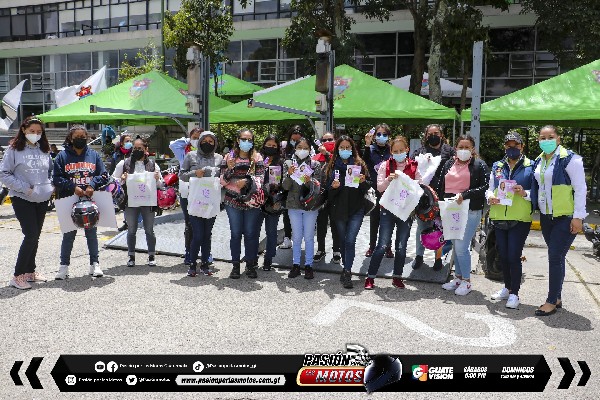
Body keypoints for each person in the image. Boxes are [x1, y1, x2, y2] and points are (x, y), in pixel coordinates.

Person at [530, 125, 587, 316]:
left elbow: (580, 189)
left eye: (550, 137)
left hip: (565, 217)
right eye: (542, 137)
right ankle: (557, 297)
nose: (546, 140)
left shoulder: (570, 159)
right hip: (546, 217)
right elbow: (539, 188)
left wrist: (578, 217)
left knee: (554, 257)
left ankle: (551, 300)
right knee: (558, 257)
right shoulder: (539, 161)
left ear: (558, 139)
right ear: (538, 140)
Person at [0, 116, 54, 289]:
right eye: (32, 131)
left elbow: (50, 171)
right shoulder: (14, 150)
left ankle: (30, 272)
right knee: (30, 235)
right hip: (22, 198)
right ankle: (17, 276)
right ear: (23, 130)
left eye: (39, 132)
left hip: (42, 199)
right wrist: (26, 188)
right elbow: (4, 174)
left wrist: (50, 186)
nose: (35, 134)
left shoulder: (44, 149)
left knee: (35, 236)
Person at [53, 125, 109, 280]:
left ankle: (94, 264)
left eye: (83, 137)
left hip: (89, 199)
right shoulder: (62, 156)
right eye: (76, 137)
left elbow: (104, 175)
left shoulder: (94, 155)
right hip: (69, 200)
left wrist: (93, 185)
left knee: (91, 233)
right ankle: (64, 266)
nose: (80, 140)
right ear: (70, 139)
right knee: (68, 235)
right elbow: (56, 178)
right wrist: (72, 187)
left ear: (87, 138)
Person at [365, 136, 420, 290]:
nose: (399, 153)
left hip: (406, 211)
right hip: (388, 209)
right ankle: (370, 277)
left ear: (407, 149)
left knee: (401, 246)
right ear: (391, 152)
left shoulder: (414, 165)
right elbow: (379, 187)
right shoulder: (385, 165)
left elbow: (420, 186)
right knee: (382, 244)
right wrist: (388, 179)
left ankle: (397, 277)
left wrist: (411, 183)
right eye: (395, 151)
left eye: (401, 150)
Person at [486, 132, 533, 309]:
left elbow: (538, 192)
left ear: (522, 146)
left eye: (516, 145)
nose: (512, 148)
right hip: (499, 216)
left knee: (514, 255)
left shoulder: (531, 166)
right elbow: (490, 188)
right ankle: (507, 288)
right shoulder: (497, 166)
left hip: (520, 217)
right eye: (508, 145)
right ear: (504, 147)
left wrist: (525, 193)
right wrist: (490, 197)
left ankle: (515, 293)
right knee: (503, 255)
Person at [438, 135, 489, 295]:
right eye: (461, 147)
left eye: (467, 147)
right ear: (455, 148)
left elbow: (485, 187)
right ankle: (458, 278)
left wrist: (465, 195)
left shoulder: (479, 165)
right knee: (456, 245)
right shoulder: (449, 163)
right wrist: (440, 205)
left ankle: (467, 281)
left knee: (461, 246)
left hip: (470, 211)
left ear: (473, 149)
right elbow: (441, 185)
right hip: (451, 211)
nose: (464, 150)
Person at [325, 135, 370, 289]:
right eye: (342, 147)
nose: (345, 150)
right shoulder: (332, 166)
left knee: (350, 241)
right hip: (339, 210)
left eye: (348, 147)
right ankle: (346, 268)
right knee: (343, 241)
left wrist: (363, 182)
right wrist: (333, 187)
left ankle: (348, 271)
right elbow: (327, 192)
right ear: (337, 149)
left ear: (352, 148)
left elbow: (368, 187)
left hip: (356, 209)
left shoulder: (359, 164)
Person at [411, 124, 456, 271]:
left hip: (443, 195)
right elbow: (412, 167)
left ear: (441, 135)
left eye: (436, 133)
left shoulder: (449, 151)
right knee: (421, 227)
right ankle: (419, 256)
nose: (433, 136)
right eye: (430, 134)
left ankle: (438, 258)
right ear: (426, 136)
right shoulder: (420, 151)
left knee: (440, 228)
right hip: (424, 197)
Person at [221, 128, 265, 279]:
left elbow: (261, 179)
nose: (246, 142)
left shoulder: (257, 157)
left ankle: (250, 264)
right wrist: (230, 169)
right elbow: (222, 181)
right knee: (235, 233)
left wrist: (246, 181)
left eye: (249, 140)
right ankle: (235, 265)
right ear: (238, 140)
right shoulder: (229, 157)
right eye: (243, 139)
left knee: (251, 233)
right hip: (232, 201)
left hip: (251, 201)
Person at [179, 131, 223, 277]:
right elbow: (182, 175)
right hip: (195, 200)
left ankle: (205, 264)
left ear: (215, 143)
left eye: (211, 141)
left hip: (211, 201)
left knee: (207, 234)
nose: (207, 144)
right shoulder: (190, 156)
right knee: (197, 234)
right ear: (199, 142)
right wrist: (194, 174)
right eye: (205, 141)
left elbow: (224, 177)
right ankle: (192, 264)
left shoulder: (219, 158)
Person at [282, 138, 323, 279]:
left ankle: (309, 265)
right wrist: (289, 174)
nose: (302, 150)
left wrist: (309, 181)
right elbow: (285, 186)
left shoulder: (315, 164)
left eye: (305, 148)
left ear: (310, 149)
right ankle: (296, 264)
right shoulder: (288, 163)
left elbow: (318, 186)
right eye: (299, 147)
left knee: (309, 236)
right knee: (297, 236)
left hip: (310, 205)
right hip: (293, 205)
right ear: (295, 148)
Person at [119, 138, 163, 268]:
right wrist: (122, 179)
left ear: (146, 149)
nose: (137, 151)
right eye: (135, 148)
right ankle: (131, 256)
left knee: (149, 229)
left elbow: (161, 184)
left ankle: (151, 255)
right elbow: (114, 180)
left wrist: (157, 179)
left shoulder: (153, 164)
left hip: (148, 201)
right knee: (131, 229)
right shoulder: (124, 163)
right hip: (130, 202)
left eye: (140, 148)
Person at [170, 128, 203, 267]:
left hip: (202, 191)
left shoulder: (207, 152)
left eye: (199, 138)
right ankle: (188, 251)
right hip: (186, 190)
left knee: (204, 222)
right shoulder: (184, 151)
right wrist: (189, 141)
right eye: (194, 137)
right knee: (189, 223)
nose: (196, 140)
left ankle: (205, 252)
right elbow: (172, 145)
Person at [362, 124, 393, 258]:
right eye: (379, 134)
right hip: (374, 189)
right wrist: (367, 145)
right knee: (374, 218)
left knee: (388, 219)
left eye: (384, 134)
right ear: (374, 136)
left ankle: (387, 246)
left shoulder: (391, 150)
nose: (381, 137)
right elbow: (363, 162)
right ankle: (372, 246)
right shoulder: (370, 149)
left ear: (388, 136)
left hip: (389, 189)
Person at [313, 132, 341, 264]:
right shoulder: (316, 158)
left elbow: (338, 165)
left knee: (335, 224)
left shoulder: (338, 155)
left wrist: (327, 154)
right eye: (324, 140)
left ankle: (336, 250)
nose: (327, 142)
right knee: (321, 224)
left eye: (330, 139)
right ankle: (321, 249)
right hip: (321, 195)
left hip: (335, 195)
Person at [259, 135, 284, 271]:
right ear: (264, 145)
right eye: (268, 145)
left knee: (271, 231)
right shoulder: (257, 159)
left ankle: (268, 258)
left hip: (273, 201)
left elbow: (280, 184)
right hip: (257, 200)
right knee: (253, 231)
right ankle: (252, 257)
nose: (271, 147)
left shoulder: (280, 162)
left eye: (274, 146)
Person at [279, 125, 304, 249]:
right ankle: (287, 237)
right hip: (287, 184)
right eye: (293, 140)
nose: (295, 142)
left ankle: (299, 237)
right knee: (286, 212)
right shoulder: (284, 148)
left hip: (302, 186)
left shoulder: (307, 149)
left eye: (297, 140)